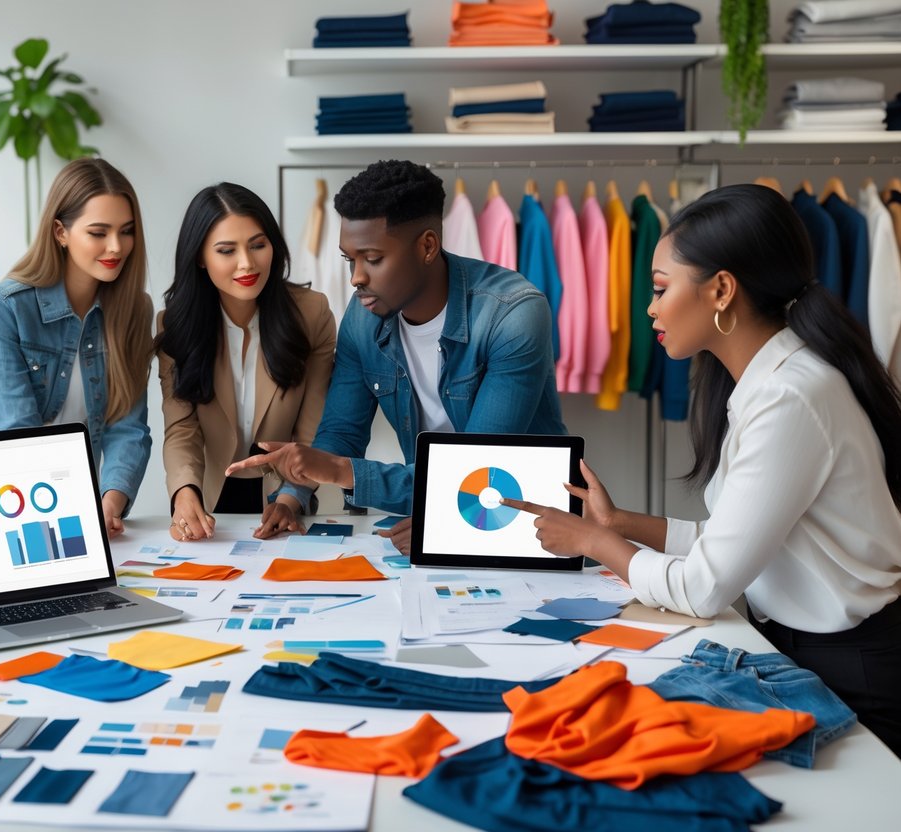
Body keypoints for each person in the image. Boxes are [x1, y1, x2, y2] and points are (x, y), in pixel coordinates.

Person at [506, 184, 901, 756]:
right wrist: (620, 524)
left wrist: (594, 542)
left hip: (854, 671)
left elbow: (704, 587)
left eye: (661, 289)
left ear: (721, 290)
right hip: (807, 650)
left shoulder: (792, 396)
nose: (649, 308)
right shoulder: (769, 383)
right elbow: (734, 548)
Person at [228, 159, 566, 553]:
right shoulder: (363, 316)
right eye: (349, 260)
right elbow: (342, 430)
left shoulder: (513, 313)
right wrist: (292, 498)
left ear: (427, 246)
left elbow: (481, 471)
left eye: (372, 259)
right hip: (431, 511)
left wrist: (342, 472)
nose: (356, 277)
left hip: (527, 526)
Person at [0, 158, 152, 538]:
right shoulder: (7, 306)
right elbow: (17, 430)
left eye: (126, 231)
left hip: (68, 500)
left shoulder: (134, 309)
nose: (117, 246)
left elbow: (128, 428)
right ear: (60, 232)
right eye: (99, 232)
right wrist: (66, 510)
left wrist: (109, 501)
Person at [156, 183, 335, 542]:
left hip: (294, 494)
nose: (247, 263)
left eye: (258, 244)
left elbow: (314, 426)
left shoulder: (311, 312)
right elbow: (181, 428)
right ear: (200, 257)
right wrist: (184, 491)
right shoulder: (174, 325)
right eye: (226, 250)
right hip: (211, 497)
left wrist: (290, 498)